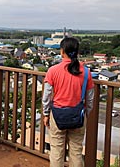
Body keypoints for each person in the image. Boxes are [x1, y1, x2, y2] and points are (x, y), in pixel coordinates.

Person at [42, 37, 94, 167]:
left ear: (62, 51)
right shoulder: (86, 72)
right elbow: (90, 99)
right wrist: (86, 114)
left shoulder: (53, 70)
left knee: (56, 151)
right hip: (78, 116)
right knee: (76, 151)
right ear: (77, 52)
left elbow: (47, 96)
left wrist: (46, 113)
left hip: (58, 115)